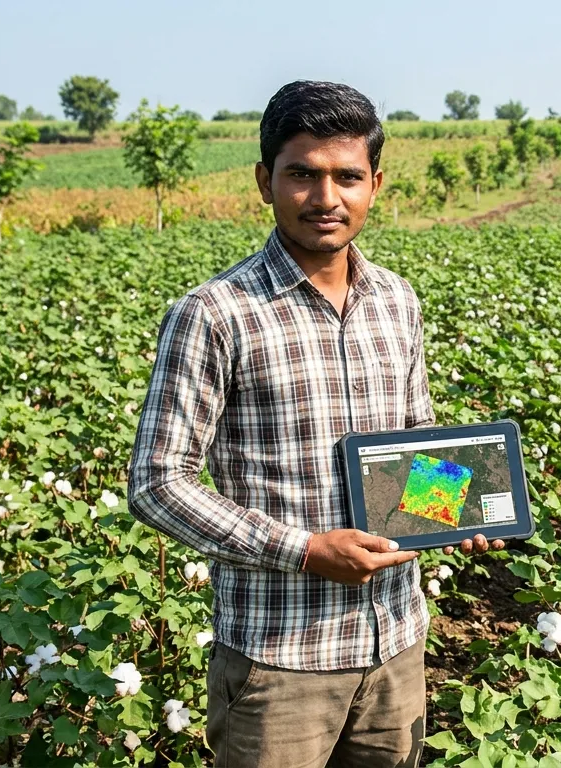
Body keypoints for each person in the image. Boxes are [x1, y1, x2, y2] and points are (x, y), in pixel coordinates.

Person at [128, 80, 499, 768]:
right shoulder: (215, 313)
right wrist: (303, 550)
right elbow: (157, 483)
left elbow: (416, 442)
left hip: (395, 642)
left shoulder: (396, 300)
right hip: (279, 658)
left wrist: (459, 510)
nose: (327, 198)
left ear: (375, 184)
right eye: (302, 174)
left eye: (347, 177)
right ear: (265, 180)